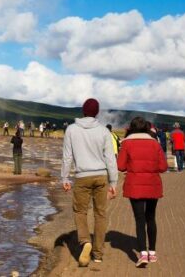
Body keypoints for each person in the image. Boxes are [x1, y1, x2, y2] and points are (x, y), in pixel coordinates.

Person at [60, 98, 118, 267]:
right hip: (101, 176)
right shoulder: (104, 131)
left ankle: (85, 241)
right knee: (100, 214)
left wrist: (65, 178)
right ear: (97, 113)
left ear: (83, 111)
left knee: (80, 211)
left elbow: (67, 156)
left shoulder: (71, 129)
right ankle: (98, 254)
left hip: (82, 176)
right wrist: (113, 182)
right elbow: (110, 159)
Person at [117, 116, 167, 267]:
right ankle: (152, 252)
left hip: (135, 185)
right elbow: (163, 167)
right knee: (151, 218)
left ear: (131, 128)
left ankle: (143, 254)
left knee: (139, 219)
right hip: (152, 184)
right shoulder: (155, 143)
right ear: (146, 128)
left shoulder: (127, 143)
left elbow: (120, 166)